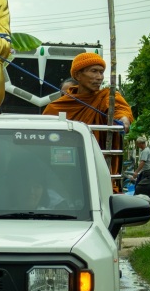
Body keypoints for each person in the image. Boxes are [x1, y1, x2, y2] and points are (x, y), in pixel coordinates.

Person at [42, 53, 133, 190]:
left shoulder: (106, 96)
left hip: (98, 170)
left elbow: (120, 110)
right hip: (62, 172)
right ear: (78, 75)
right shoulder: (58, 106)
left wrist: (124, 121)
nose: (99, 77)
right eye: (94, 71)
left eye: (101, 72)